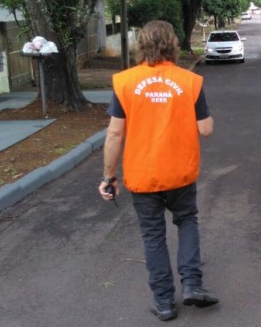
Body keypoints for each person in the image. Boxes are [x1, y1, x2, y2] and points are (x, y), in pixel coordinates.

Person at [99, 20, 219, 321]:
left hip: (143, 175)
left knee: (153, 236)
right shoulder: (189, 81)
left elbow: (114, 134)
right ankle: (192, 284)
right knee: (187, 222)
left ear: (141, 45)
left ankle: (164, 302)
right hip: (180, 172)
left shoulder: (125, 82)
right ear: (173, 45)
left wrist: (109, 177)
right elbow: (205, 130)